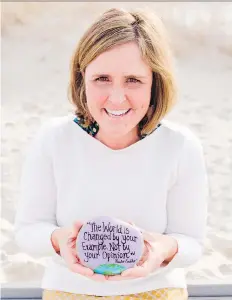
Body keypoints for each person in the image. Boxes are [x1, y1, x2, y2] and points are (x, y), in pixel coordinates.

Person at [14, 7, 208, 300]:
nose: (117, 97)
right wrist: (59, 240)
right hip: (69, 289)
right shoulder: (54, 139)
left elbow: (192, 242)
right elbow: (28, 230)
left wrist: (161, 250)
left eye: (133, 80)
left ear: (155, 82)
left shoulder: (180, 146)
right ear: (82, 79)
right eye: (102, 78)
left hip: (156, 289)